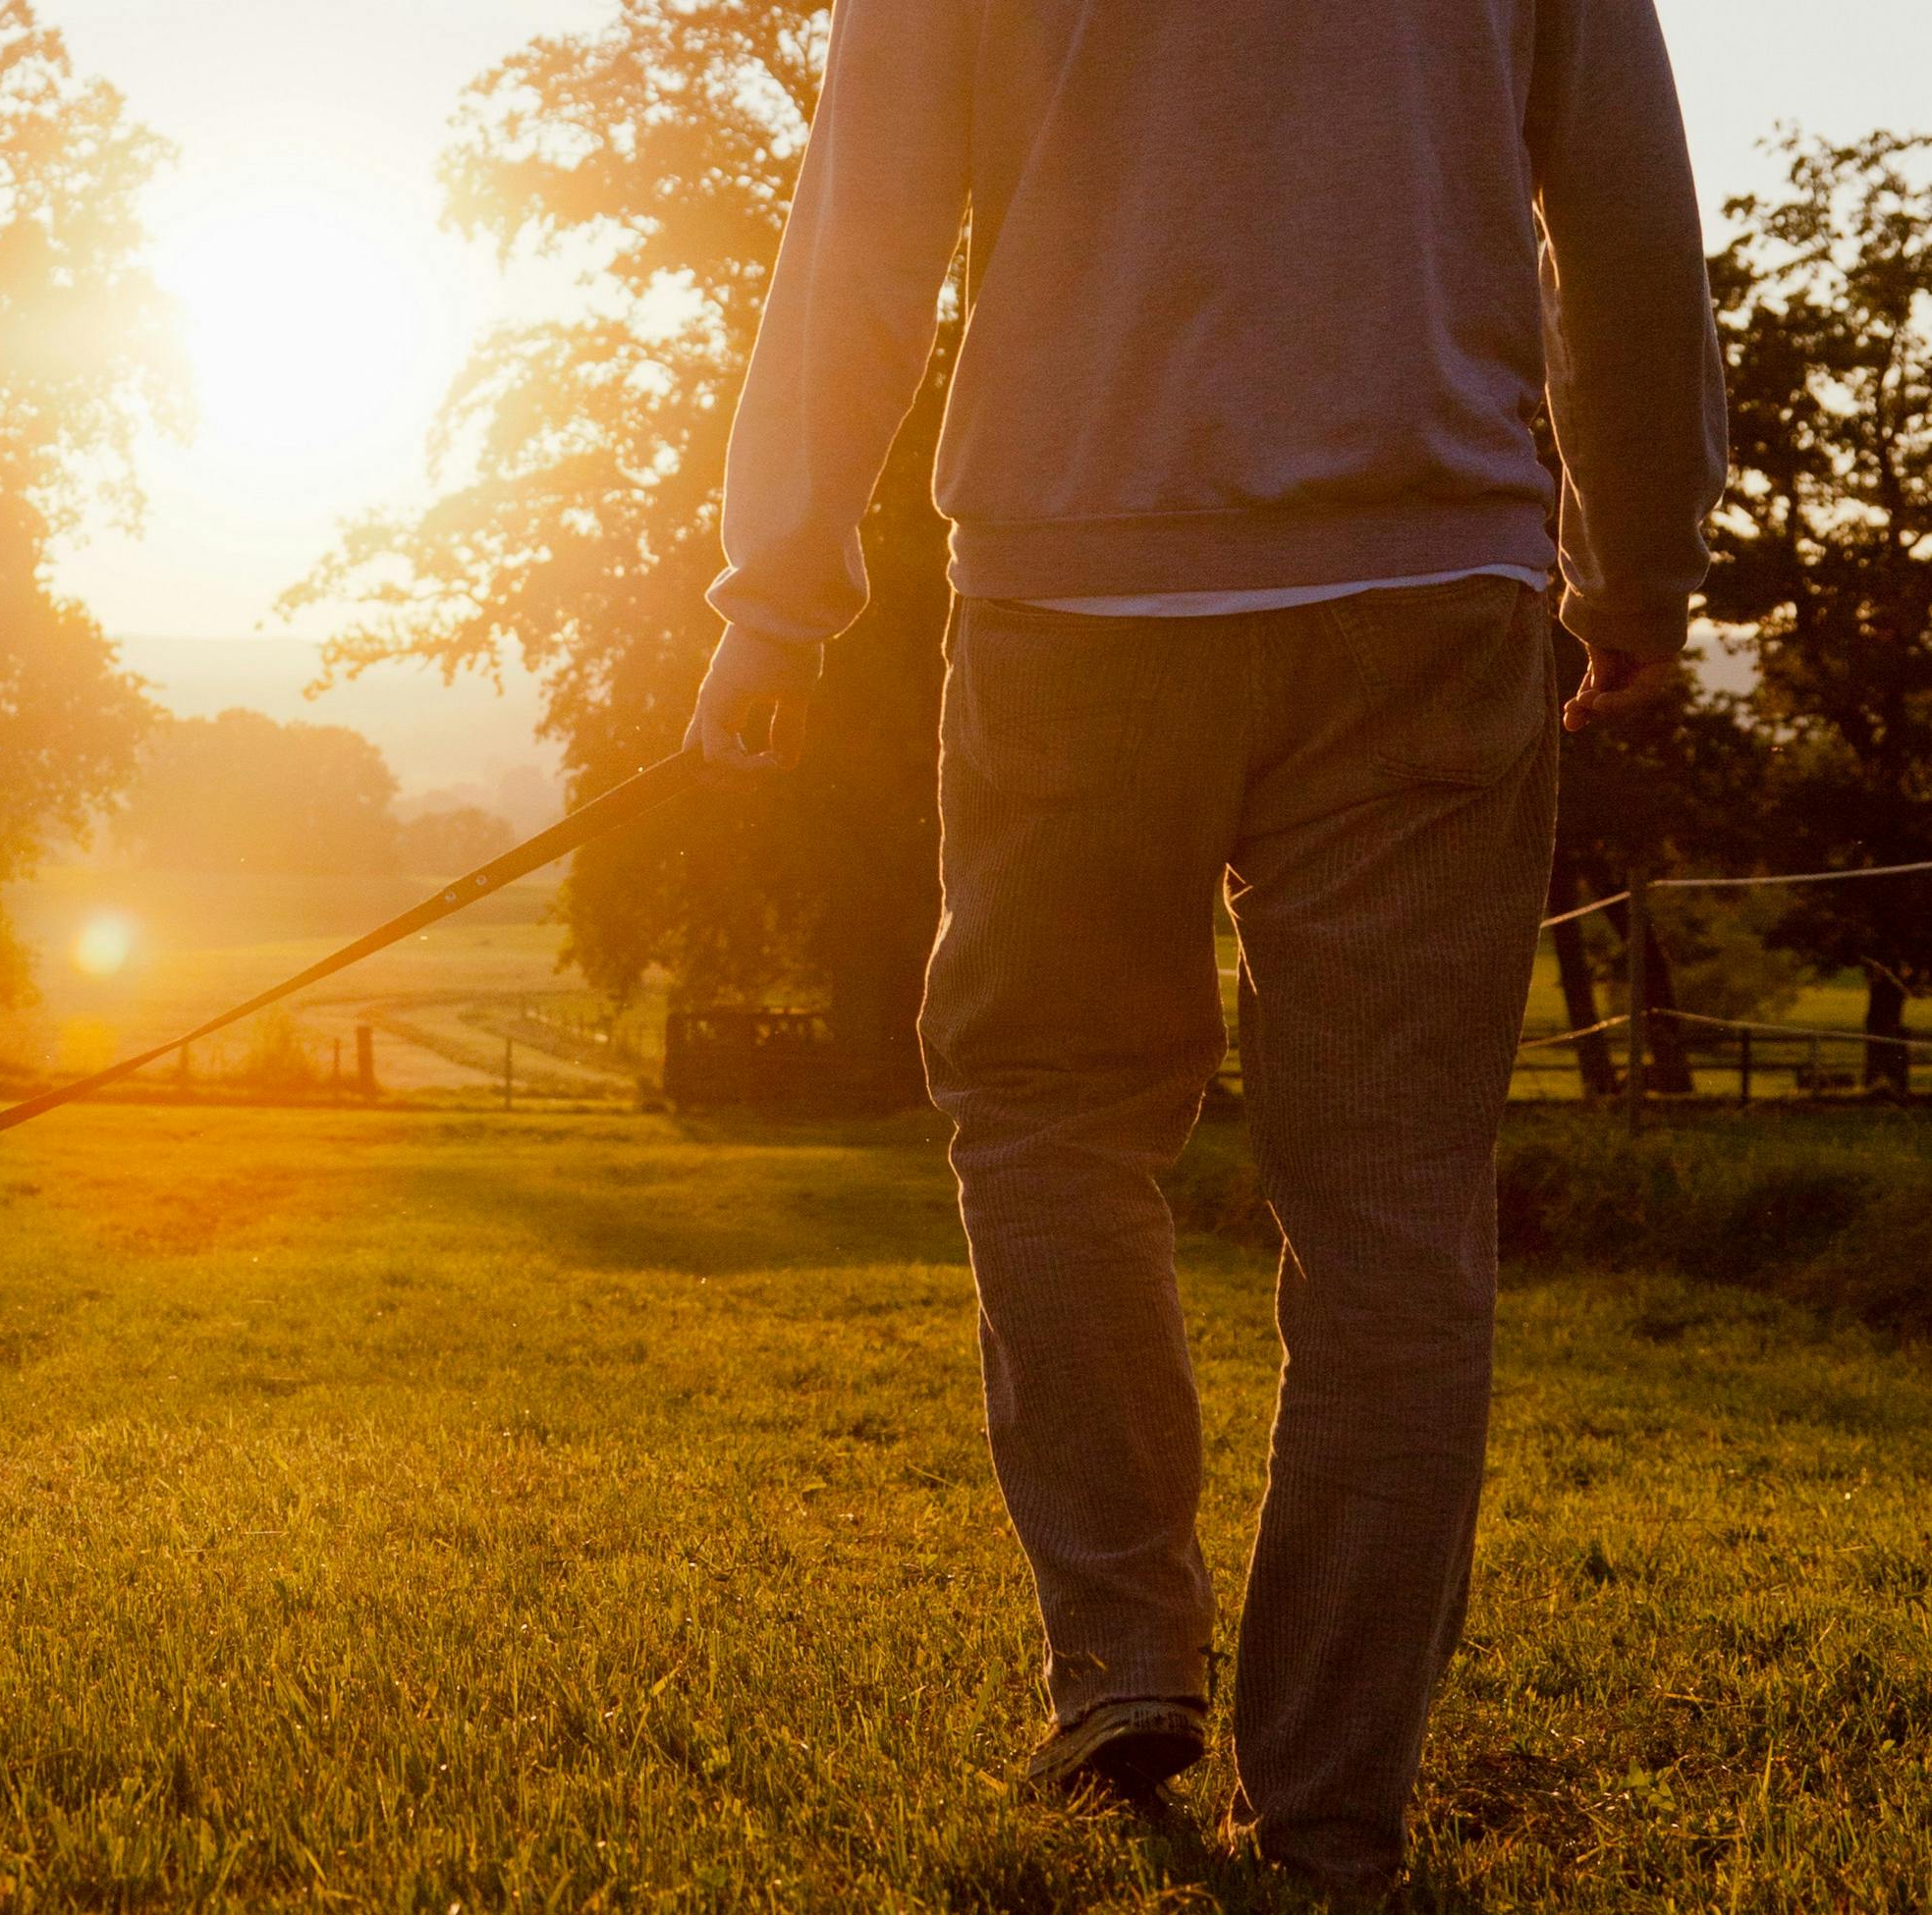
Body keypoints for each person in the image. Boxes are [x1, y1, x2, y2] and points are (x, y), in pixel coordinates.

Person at [681, 0, 1726, 1896]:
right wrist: (1637, 555)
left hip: (1080, 591)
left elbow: (867, 215)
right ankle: (1327, 1803)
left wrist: (781, 585)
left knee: (1050, 1115)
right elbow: (1629, 216)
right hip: (1431, 589)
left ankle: (1123, 1663)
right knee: (1392, 1203)